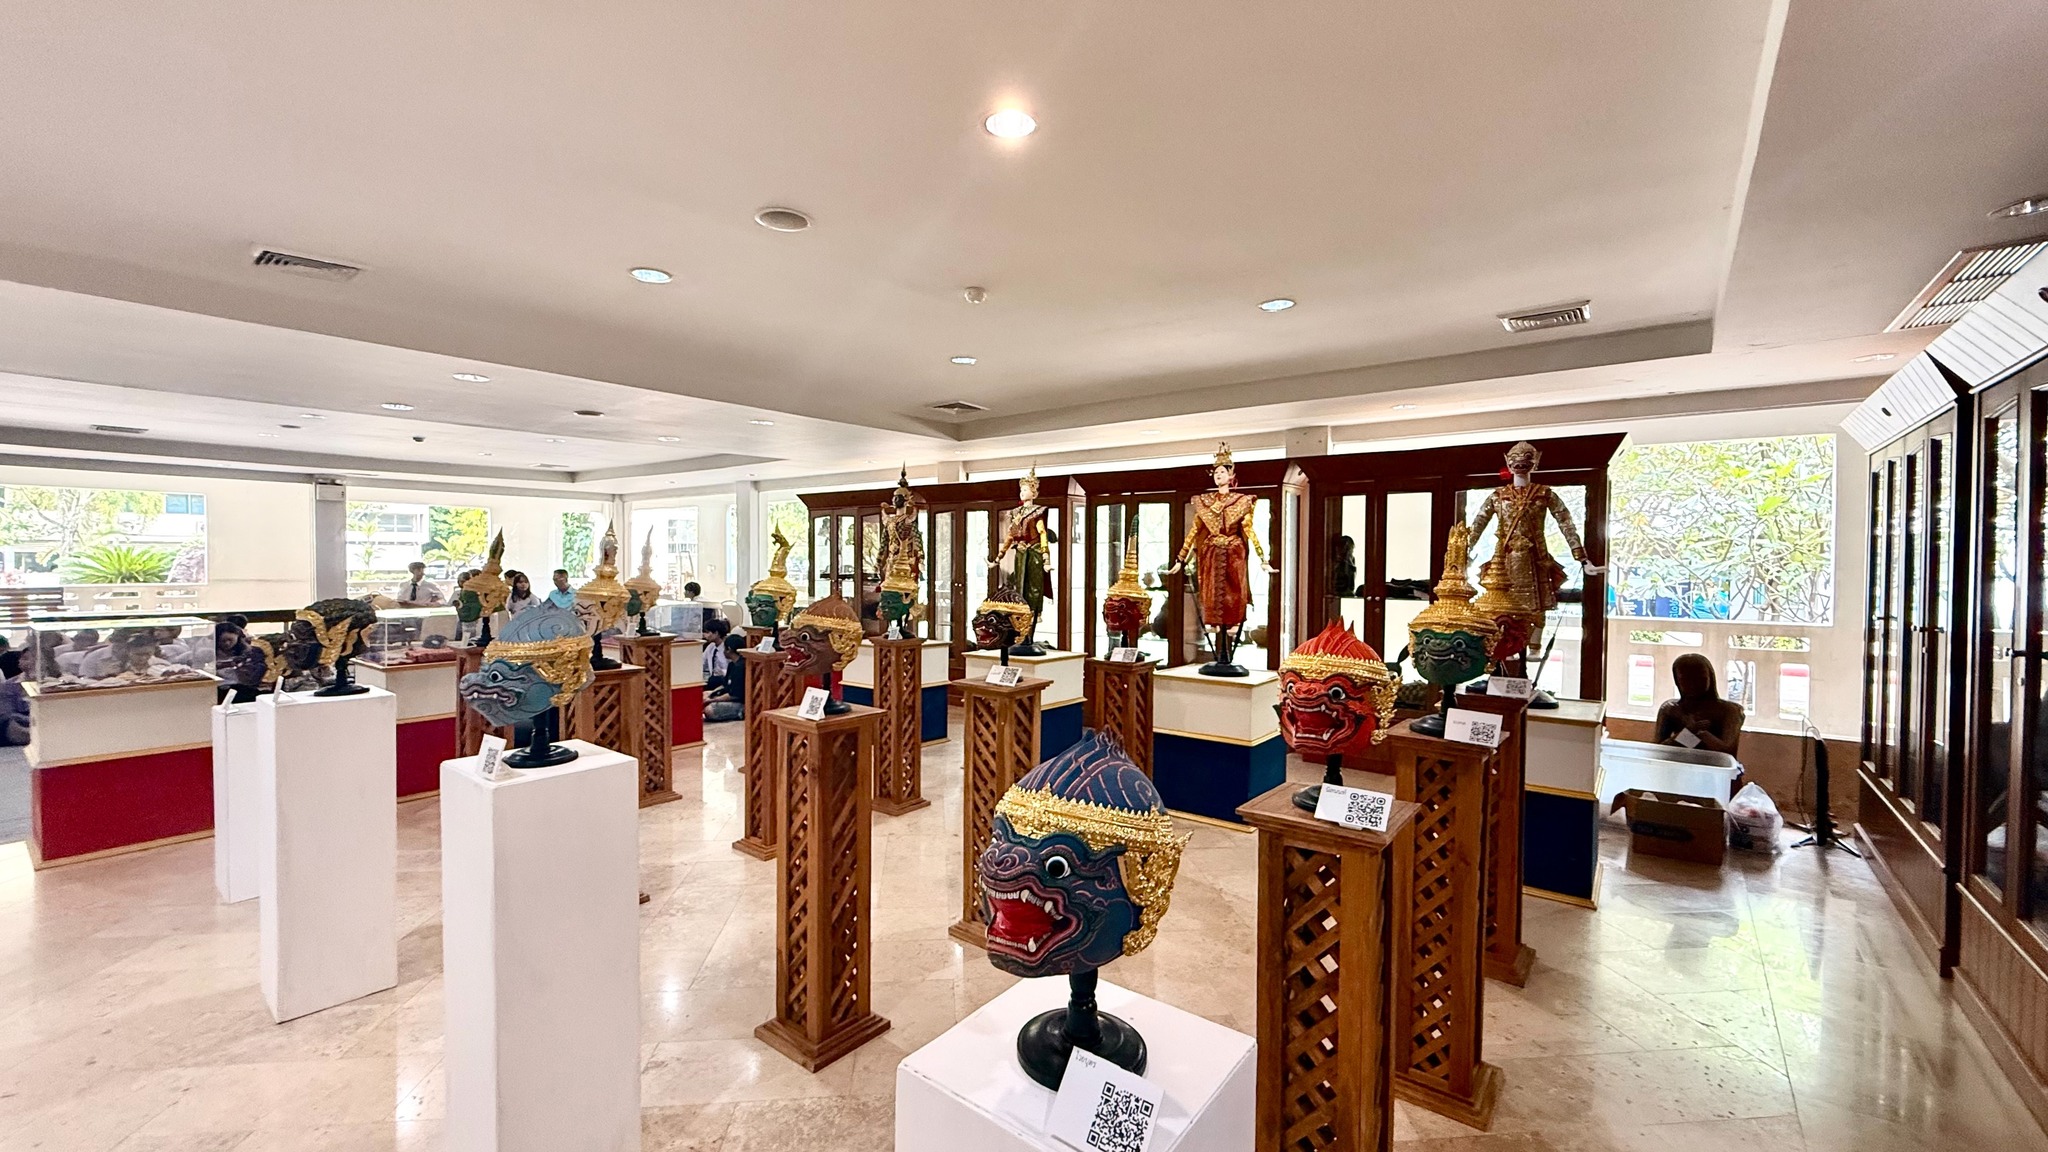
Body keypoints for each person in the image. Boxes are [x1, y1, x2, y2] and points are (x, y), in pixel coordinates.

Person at [1655, 653, 1745, 756]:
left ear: (1710, 677)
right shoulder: (1670, 709)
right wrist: (1687, 733)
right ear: (1677, 681)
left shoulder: (1730, 711)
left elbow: (1727, 753)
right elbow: (1658, 750)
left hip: (1713, 765)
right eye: (1685, 679)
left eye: (1700, 678)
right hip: (1678, 763)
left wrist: (1701, 733)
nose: (1693, 684)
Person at [704, 633, 747, 723]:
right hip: (729, 695)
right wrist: (711, 693)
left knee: (710, 710)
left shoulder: (741, 667)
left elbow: (735, 695)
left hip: (740, 701)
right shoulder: (732, 664)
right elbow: (725, 684)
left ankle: (741, 712)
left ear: (729, 649)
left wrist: (713, 699)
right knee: (704, 694)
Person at [702, 617, 734, 690]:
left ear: (716, 633)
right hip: (712, 679)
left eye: (707, 632)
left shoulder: (727, 648)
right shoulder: (711, 647)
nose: (704, 635)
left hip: (725, 681)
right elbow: (702, 663)